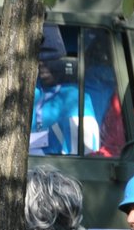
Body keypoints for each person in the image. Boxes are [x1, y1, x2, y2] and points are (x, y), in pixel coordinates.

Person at [31, 26, 101, 156]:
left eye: (48, 60)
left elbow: (84, 152)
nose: (41, 65)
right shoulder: (28, 92)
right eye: (38, 60)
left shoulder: (76, 98)